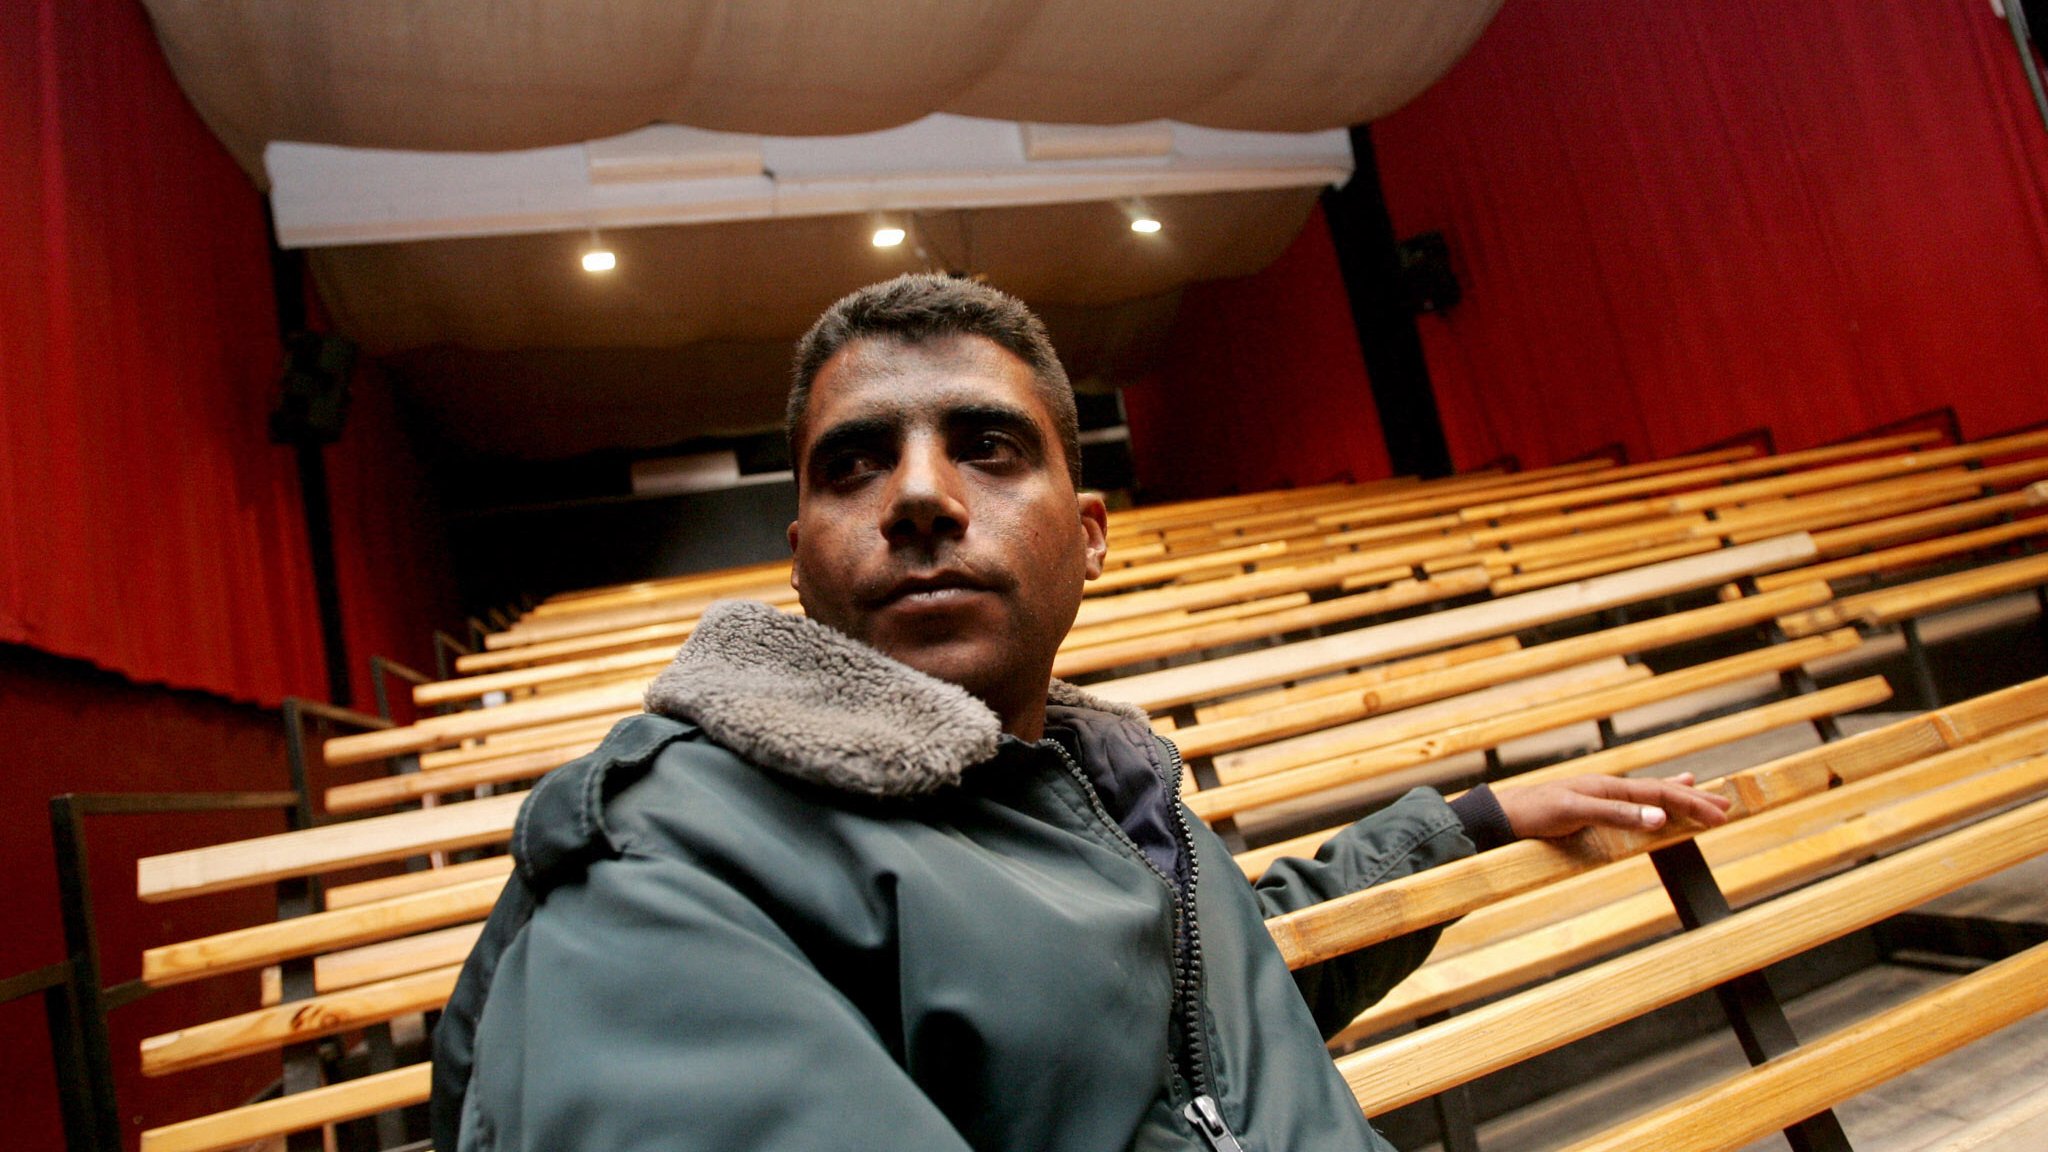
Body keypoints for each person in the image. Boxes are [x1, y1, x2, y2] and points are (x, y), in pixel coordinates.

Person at [431, 274, 1730, 1151]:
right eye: (855, 464)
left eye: (987, 447)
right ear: (801, 554)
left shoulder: (1097, 784)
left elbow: (1191, 1000)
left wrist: (1477, 815)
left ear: (1091, 534)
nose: (922, 498)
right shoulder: (666, 859)